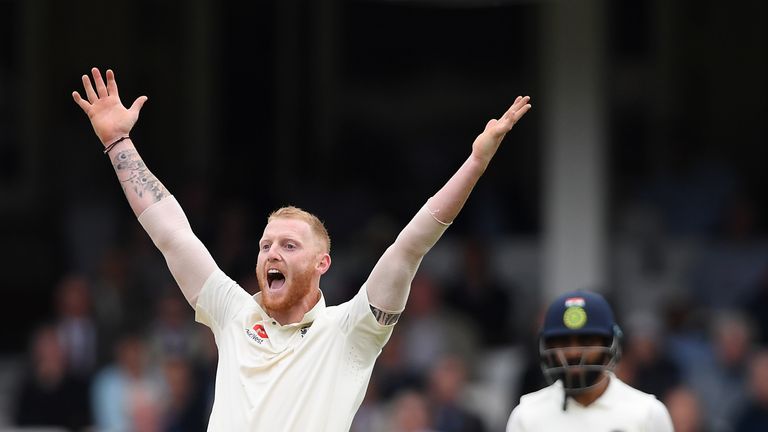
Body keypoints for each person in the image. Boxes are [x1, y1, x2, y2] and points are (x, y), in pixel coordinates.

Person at [72, 67, 531, 431]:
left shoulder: (351, 330)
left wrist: (475, 162)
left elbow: (411, 245)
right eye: (265, 244)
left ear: (321, 263)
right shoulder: (233, 313)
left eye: (289, 245)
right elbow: (171, 232)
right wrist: (118, 143)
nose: (271, 253)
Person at [506, 290, 673, 431]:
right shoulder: (526, 415)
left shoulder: (647, 413)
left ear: (610, 345)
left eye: (586, 341)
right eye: (563, 343)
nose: (573, 353)